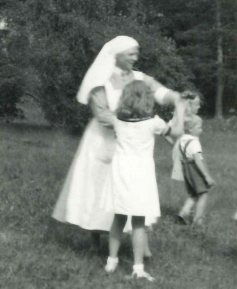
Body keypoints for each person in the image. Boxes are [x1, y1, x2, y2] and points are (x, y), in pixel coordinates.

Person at [52, 36, 181, 251]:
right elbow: (103, 114)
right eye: (131, 54)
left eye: (136, 53)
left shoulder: (139, 77)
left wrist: (175, 97)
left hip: (130, 142)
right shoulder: (100, 81)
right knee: (98, 187)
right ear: (117, 55)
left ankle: (141, 243)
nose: (135, 58)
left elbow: (160, 92)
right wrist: (135, 124)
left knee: (134, 189)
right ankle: (95, 235)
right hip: (103, 140)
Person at [102, 80, 186, 281]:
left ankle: (111, 262)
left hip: (120, 172)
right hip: (140, 174)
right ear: (147, 100)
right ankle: (138, 268)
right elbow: (177, 133)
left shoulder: (118, 121)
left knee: (119, 217)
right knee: (138, 221)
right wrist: (180, 108)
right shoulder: (153, 123)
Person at [172, 114, 215, 226]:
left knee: (194, 194)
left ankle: (183, 213)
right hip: (195, 169)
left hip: (186, 168)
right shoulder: (195, 142)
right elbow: (198, 161)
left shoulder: (182, 139)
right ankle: (198, 220)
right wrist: (206, 176)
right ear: (191, 128)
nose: (201, 130)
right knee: (203, 194)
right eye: (199, 127)